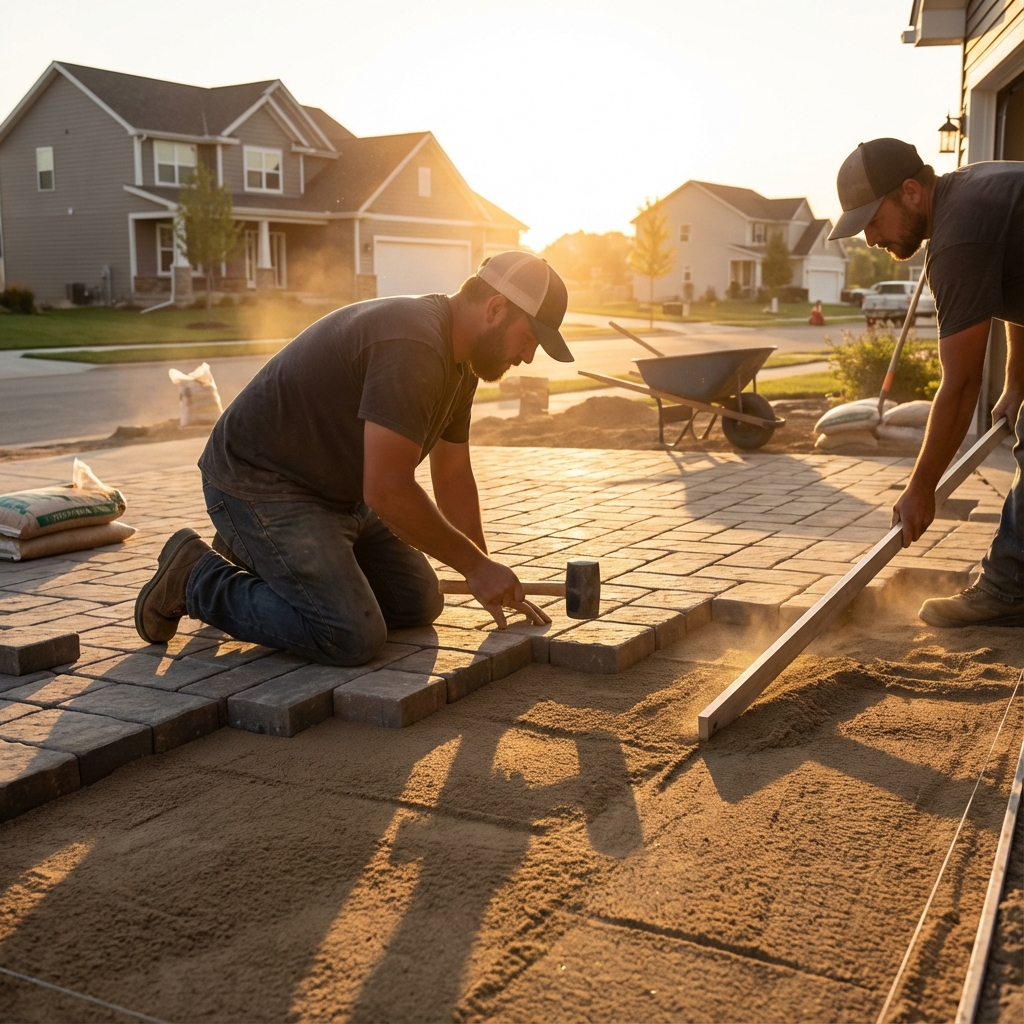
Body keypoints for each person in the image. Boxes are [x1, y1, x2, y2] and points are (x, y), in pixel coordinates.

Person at [134, 252, 574, 663]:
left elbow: (453, 472)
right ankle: (194, 577)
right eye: (529, 339)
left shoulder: (461, 363)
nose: (528, 357)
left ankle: (254, 549)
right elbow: (386, 489)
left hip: (335, 495)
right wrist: (477, 568)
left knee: (419, 601)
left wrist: (484, 568)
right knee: (350, 634)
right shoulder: (414, 345)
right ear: (496, 308)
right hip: (260, 484)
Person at [827, 138, 1023, 627]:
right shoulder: (973, 198)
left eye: (873, 221)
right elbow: (1019, 290)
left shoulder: (959, 239)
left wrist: (921, 488)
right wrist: (1017, 382)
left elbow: (959, 389)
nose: (870, 240)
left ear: (911, 191)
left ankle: (1007, 589)